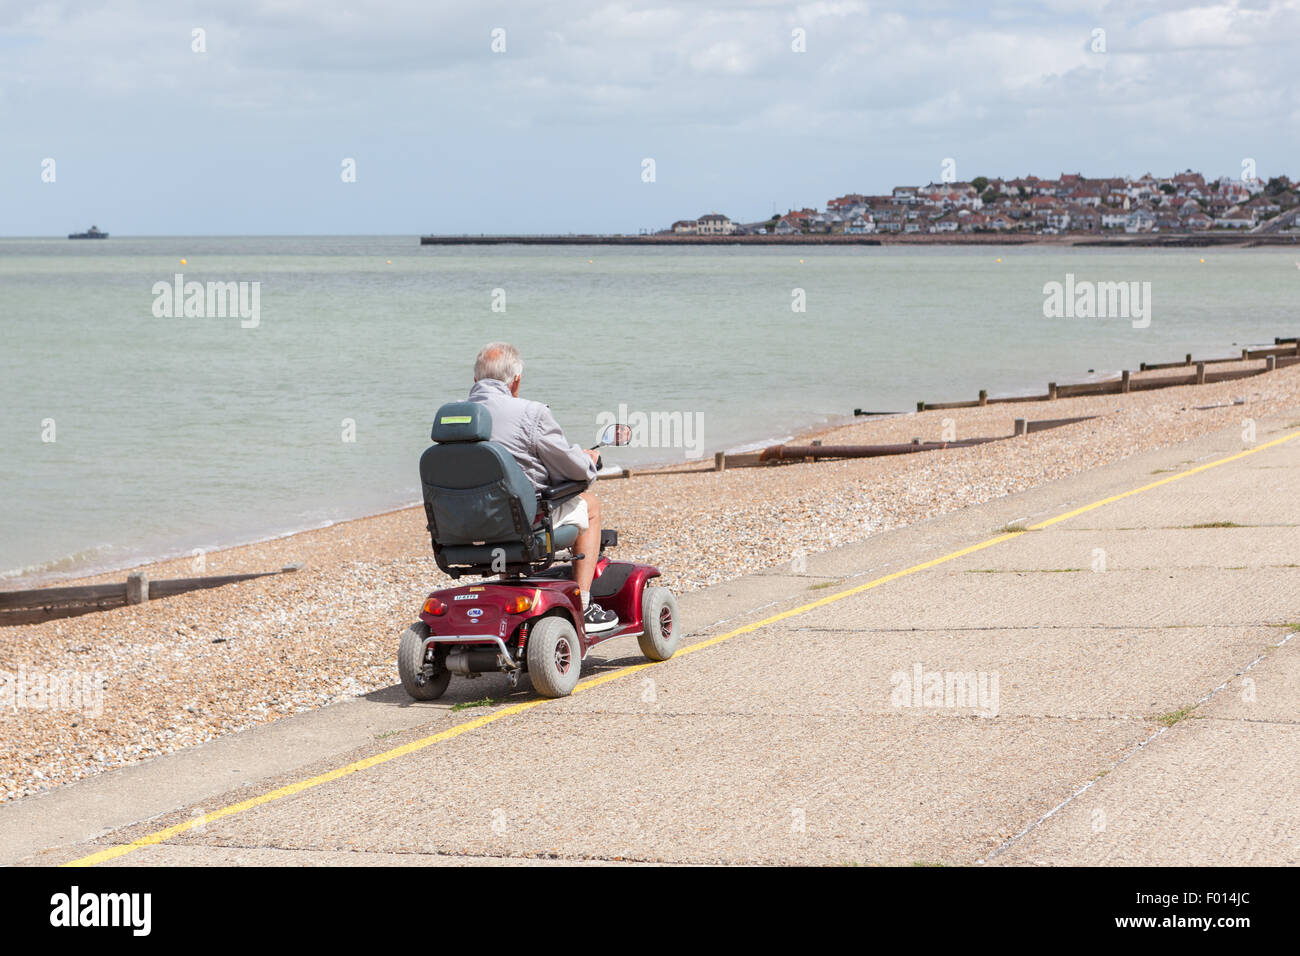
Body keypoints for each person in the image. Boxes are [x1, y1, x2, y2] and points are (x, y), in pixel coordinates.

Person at [466, 342, 618, 633]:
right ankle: (584, 605)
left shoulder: (454, 419)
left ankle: (508, 591)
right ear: (516, 380)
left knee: (496, 504)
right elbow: (571, 468)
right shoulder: (531, 414)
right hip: (523, 527)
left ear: (475, 381)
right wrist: (588, 462)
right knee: (589, 504)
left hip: (465, 532)